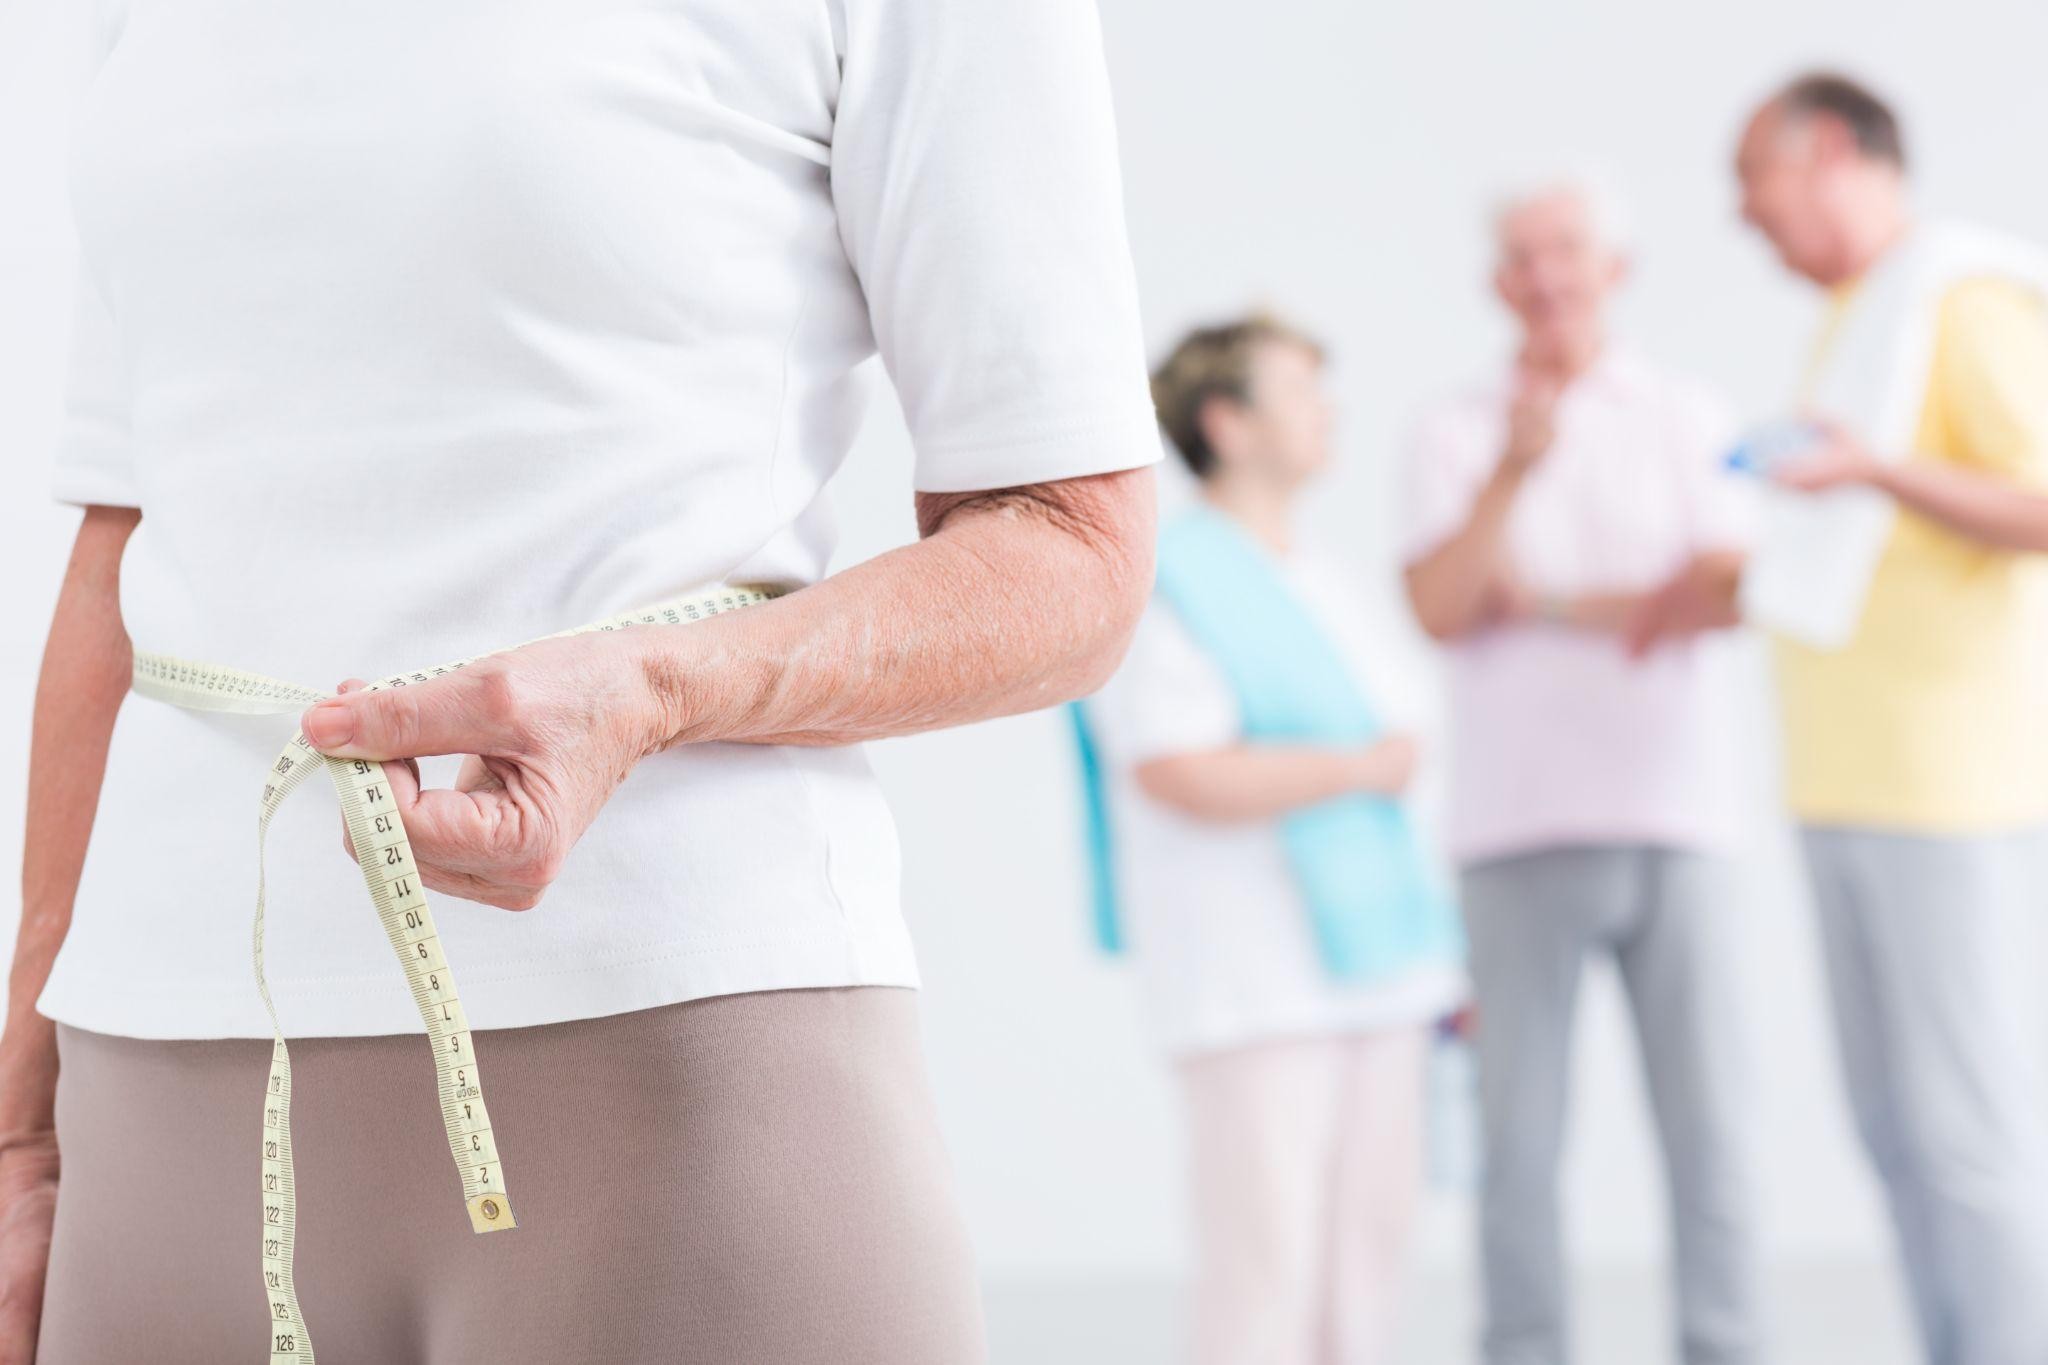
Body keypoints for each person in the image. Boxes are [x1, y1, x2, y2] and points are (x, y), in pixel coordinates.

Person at [4, 1, 1163, 1361]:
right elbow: (125, 542)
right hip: (155, 1093)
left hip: (671, 1067)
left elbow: (1069, 546)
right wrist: (24, 1121)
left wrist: (655, 688)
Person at [1707, 71, 2048, 1365]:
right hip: (1843, 782)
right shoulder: (1859, 320)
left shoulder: (1959, 301)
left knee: (1966, 1135)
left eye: (1755, 178)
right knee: (1895, 1132)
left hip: (1947, 790)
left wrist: (1877, 469)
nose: (1744, 217)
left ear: (1834, 151)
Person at [1400, 176, 1764, 1365]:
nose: (1545, 272)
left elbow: (1722, 591)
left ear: (1614, 267)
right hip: (1513, 832)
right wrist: (1509, 478)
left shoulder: (1685, 411)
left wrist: (1545, 602)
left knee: (1709, 1131)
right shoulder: (1458, 433)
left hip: (1678, 822)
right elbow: (1443, 606)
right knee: (1518, 1138)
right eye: (1520, 255)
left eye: (1566, 247)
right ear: (1495, 284)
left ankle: (1727, 1346)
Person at [1075, 315, 1466, 1365]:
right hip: (1254, 978)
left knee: (1368, 1257)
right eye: (1299, 389)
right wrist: (1352, 769)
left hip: (1385, 972)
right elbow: (1173, 767)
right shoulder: (1169, 579)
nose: (1325, 410)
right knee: (1266, 1267)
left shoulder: (1330, 583)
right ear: (1226, 423)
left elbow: (1410, 781)